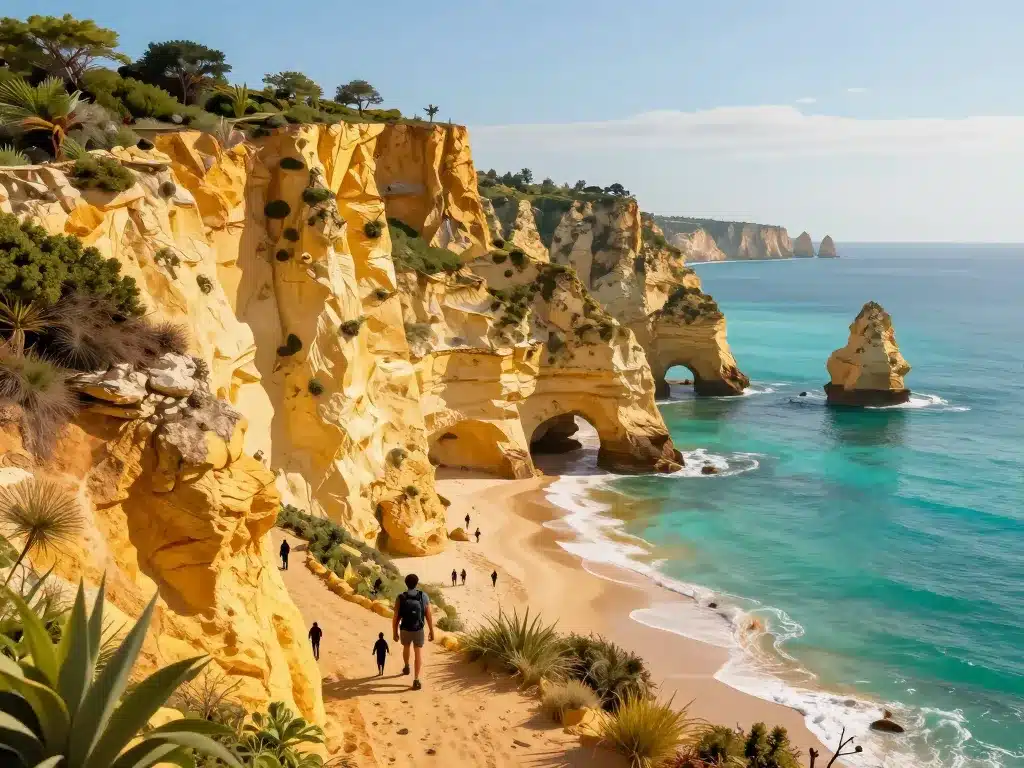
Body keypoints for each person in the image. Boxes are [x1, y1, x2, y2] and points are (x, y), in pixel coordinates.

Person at [392, 573, 434, 691]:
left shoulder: (401, 597)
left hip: (405, 628)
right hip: (418, 629)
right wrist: (431, 630)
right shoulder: (423, 596)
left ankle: (406, 667)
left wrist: (394, 631)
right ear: (417, 583)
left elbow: (396, 617)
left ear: (406, 583)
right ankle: (416, 680)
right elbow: (428, 615)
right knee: (418, 653)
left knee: (406, 647)